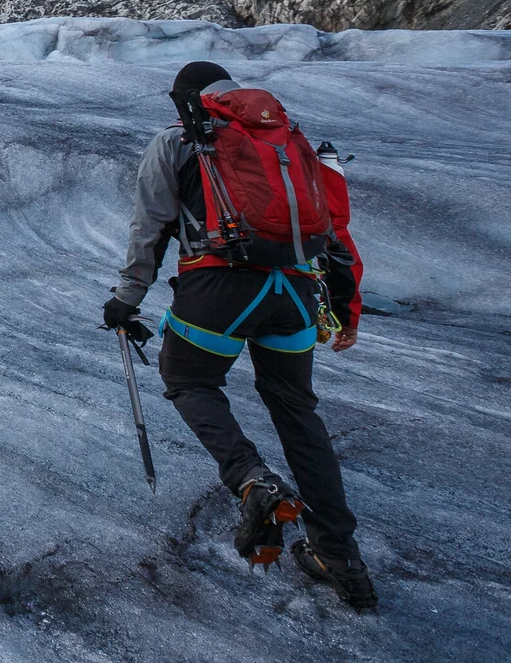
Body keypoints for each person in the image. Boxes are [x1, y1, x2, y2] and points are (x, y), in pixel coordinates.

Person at [104, 60, 374, 609]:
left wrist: (126, 300)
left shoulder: (181, 141)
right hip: (296, 293)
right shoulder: (289, 141)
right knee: (297, 411)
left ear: (187, 100)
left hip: (220, 289)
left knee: (187, 378)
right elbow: (334, 228)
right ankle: (339, 556)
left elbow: (150, 227)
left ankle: (252, 480)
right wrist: (344, 308)